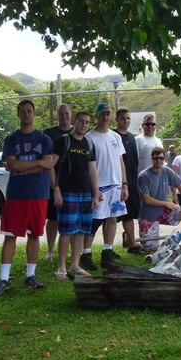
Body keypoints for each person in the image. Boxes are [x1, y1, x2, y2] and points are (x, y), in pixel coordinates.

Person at [0, 99, 54, 297]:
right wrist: (39, 164)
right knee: (10, 235)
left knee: (34, 234)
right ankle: (4, 279)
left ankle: (30, 276)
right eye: (22, 111)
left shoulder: (44, 139)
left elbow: (47, 164)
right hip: (16, 194)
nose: (26, 114)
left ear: (34, 114)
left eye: (29, 111)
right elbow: (13, 165)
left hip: (38, 193)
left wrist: (23, 165)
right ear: (18, 114)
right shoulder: (11, 139)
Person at [49, 110, 102, 280]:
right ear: (75, 121)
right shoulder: (63, 141)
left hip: (85, 193)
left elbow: (92, 171)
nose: (84, 125)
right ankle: (62, 267)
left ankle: (75, 265)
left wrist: (96, 193)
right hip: (67, 193)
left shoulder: (89, 143)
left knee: (80, 231)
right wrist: (56, 190)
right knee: (66, 231)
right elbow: (50, 166)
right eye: (81, 121)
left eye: (87, 122)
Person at [82, 102, 129, 269]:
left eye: (108, 113)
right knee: (94, 221)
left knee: (112, 219)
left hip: (116, 185)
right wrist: (93, 189)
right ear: (97, 116)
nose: (105, 116)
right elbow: (87, 166)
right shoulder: (89, 137)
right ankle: (85, 254)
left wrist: (124, 184)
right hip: (100, 186)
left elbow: (120, 161)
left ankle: (107, 252)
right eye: (102, 113)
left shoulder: (115, 137)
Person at [137, 147, 181, 248]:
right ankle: (129, 240)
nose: (159, 161)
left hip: (163, 211)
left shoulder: (167, 171)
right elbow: (146, 199)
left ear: (164, 159)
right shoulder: (143, 176)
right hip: (148, 215)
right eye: (156, 158)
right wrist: (166, 203)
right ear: (152, 159)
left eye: (161, 158)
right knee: (150, 249)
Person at [42, 103, 73, 262]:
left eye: (66, 113)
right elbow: (46, 160)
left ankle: (70, 251)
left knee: (72, 218)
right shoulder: (49, 133)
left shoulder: (78, 133)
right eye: (61, 114)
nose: (64, 117)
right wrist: (54, 187)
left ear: (71, 114)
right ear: (57, 116)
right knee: (53, 218)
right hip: (53, 182)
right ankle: (50, 250)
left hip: (73, 183)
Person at [114, 108, 145, 255]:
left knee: (131, 213)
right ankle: (112, 248)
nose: (125, 121)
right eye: (123, 118)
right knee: (113, 217)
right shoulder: (113, 136)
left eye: (128, 118)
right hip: (118, 182)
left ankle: (130, 241)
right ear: (116, 119)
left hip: (133, 181)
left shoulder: (132, 137)